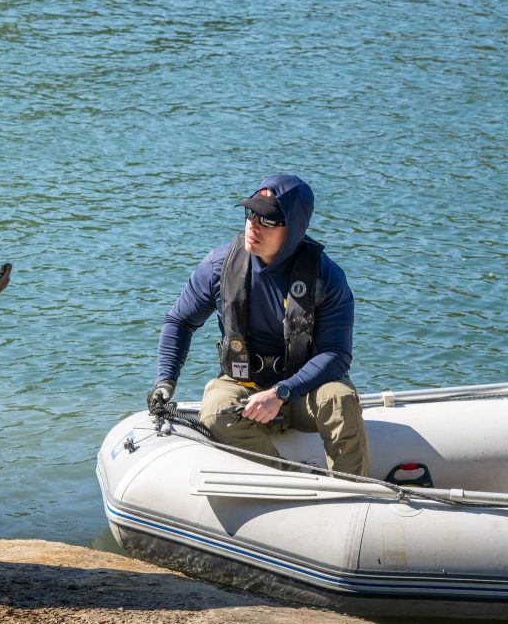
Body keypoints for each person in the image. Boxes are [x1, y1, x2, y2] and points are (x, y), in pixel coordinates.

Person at [148, 174, 369, 476]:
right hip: (242, 384)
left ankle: (354, 491)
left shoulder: (327, 278)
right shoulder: (218, 266)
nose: (253, 225)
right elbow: (180, 321)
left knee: (340, 398)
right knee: (214, 412)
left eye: (268, 220)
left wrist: (281, 393)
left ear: (294, 229)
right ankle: (293, 480)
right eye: (250, 213)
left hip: (305, 390)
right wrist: (165, 382)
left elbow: (336, 354)